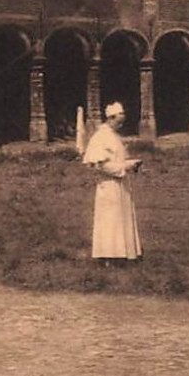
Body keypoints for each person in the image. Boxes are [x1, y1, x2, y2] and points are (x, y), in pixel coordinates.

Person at [81, 102, 143, 263]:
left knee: (122, 218)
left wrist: (130, 164)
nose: (121, 124)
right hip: (108, 185)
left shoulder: (113, 136)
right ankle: (109, 256)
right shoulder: (100, 137)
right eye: (119, 121)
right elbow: (101, 165)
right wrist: (125, 167)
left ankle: (123, 254)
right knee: (110, 220)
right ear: (110, 118)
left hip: (121, 184)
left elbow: (115, 159)